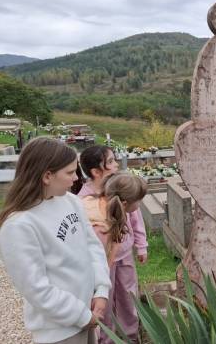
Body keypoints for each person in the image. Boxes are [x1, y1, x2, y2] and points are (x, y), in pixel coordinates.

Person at [0, 137, 110, 344]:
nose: (76, 179)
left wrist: (101, 290)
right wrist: (81, 315)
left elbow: (92, 246)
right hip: (60, 330)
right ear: (47, 176)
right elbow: (36, 288)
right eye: (70, 173)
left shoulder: (70, 201)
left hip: (88, 314)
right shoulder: (18, 226)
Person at [75, 145, 148, 344]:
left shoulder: (123, 187)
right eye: (110, 162)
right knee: (103, 301)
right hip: (101, 264)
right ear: (96, 171)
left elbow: (135, 218)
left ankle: (130, 335)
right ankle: (106, 338)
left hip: (123, 255)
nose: (116, 164)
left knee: (128, 296)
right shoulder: (84, 200)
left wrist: (141, 244)